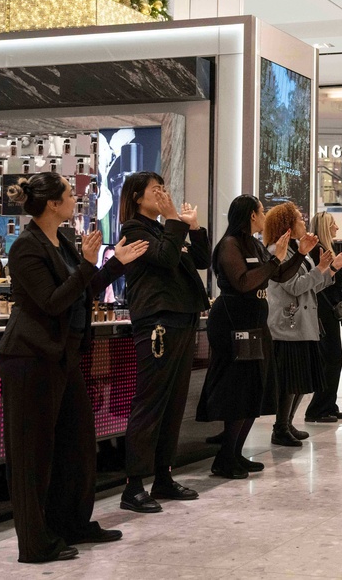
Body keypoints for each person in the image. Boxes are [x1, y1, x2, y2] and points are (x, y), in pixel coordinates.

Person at [0, 173, 148, 563]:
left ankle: (72, 523)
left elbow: (83, 287)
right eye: (69, 195)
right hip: (31, 356)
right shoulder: (25, 248)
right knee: (32, 454)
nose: (74, 198)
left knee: (78, 445)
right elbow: (51, 301)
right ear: (51, 204)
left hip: (63, 355)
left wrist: (114, 265)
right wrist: (86, 264)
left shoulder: (62, 240)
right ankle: (34, 543)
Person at [196, 195, 316, 478]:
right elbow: (243, 282)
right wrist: (274, 260)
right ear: (251, 215)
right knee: (237, 389)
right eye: (261, 211)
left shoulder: (255, 244)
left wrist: (298, 254)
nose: (265, 216)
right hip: (231, 322)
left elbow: (277, 275)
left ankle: (236, 454)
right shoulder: (229, 245)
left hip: (255, 324)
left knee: (254, 389)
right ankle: (224, 457)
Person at [118, 172, 211, 515]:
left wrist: (194, 227)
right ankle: (134, 485)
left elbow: (201, 261)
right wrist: (174, 221)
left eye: (164, 189)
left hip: (183, 317)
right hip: (158, 321)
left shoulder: (163, 228)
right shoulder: (134, 230)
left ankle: (163, 476)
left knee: (174, 402)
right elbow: (166, 259)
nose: (163, 195)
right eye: (155, 190)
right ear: (138, 197)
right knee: (151, 402)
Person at [264, 203, 342, 446]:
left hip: (303, 324)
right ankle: (280, 426)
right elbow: (294, 286)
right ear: (288, 226)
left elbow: (313, 285)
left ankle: (287, 423)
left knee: (301, 379)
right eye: (300, 221)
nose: (304, 224)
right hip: (288, 325)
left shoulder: (295, 251)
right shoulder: (279, 251)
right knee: (290, 380)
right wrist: (322, 267)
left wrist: (331, 269)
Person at [305, 211, 342, 424]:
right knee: (331, 358)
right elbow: (329, 283)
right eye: (332, 225)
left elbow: (337, 281)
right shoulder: (320, 252)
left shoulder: (327, 251)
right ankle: (319, 407)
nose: (337, 228)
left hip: (327, 310)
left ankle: (328, 404)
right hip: (322, 311)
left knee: (332, 358)